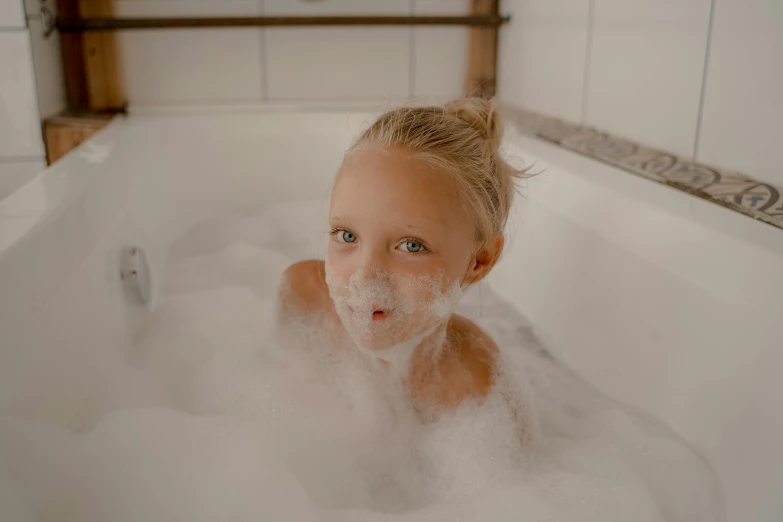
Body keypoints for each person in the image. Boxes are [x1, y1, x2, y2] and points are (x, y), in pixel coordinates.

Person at [277, 97, 527, 415]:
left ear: (480, 261)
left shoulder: (480, 391)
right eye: (347, 235)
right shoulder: (301, 298)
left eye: (411, 246)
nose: (364, 277)